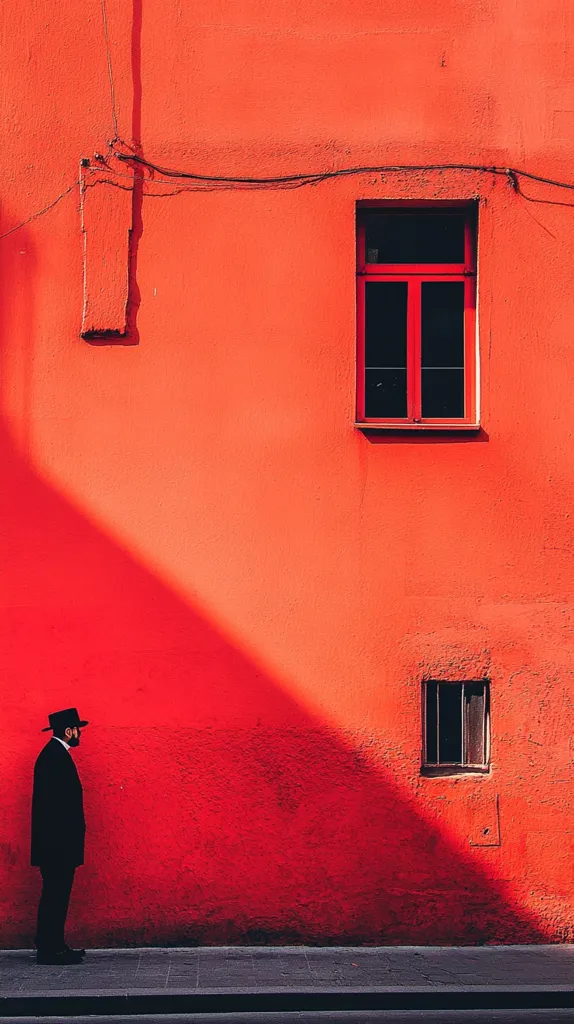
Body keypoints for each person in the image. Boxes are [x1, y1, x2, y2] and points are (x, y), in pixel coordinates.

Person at [31, 708, 88, 965]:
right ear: (69, 731)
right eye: (78, 729)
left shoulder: (53, 755)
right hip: (57, 846)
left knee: (55, 894)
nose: (79, 734)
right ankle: (50, 949)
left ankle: (53, 944)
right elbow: (55, 807)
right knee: (56, 894)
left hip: (56, 845)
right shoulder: (54, 757)